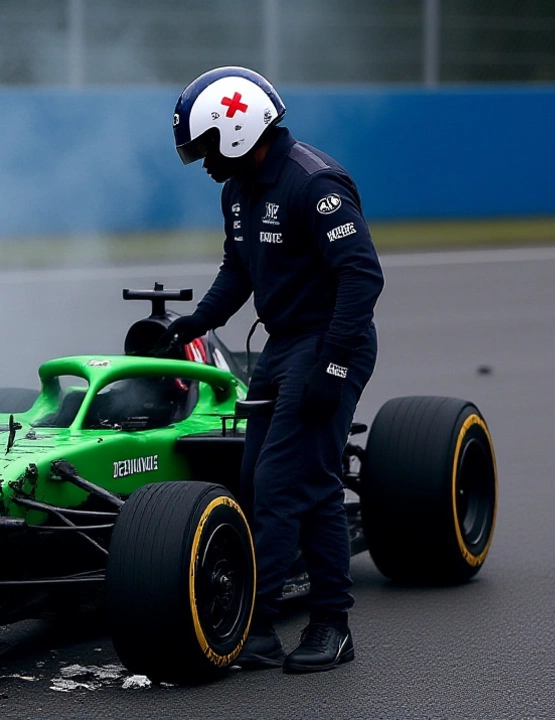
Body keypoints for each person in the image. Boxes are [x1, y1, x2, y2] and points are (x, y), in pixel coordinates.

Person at [160, 67, 384, 673]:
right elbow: (239, 271)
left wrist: (333, 367)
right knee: (260, 482)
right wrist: (194, 323)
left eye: (205, 147)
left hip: (330, 344)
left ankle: (318, 627)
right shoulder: (237, 189)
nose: (202, 162)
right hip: (283, 347)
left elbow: (363, 278)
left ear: (235, 130)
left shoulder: (315, 184)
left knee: (293, 487)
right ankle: (268, 630)